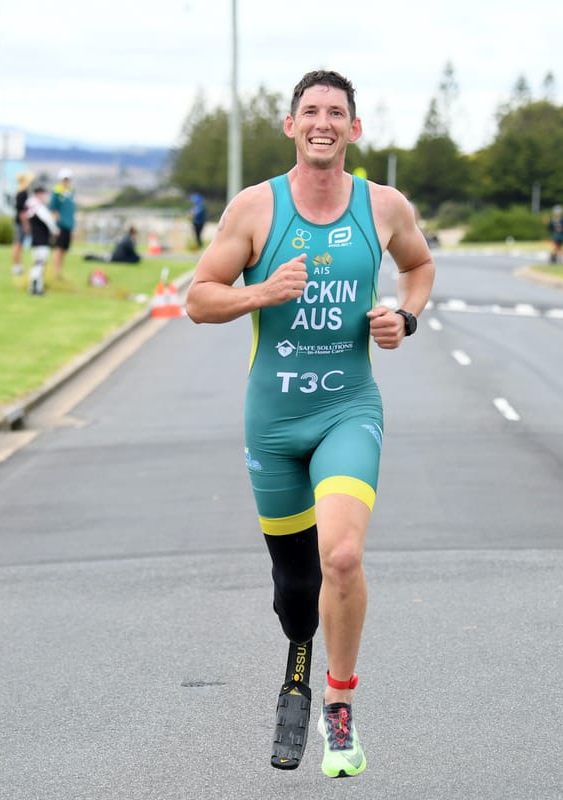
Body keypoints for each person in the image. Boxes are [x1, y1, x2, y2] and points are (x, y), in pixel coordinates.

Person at [185, 69, 434, 779]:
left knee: (343, 558)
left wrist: (405, 317)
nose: (323, 122)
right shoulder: (255, 209)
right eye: (310, 111)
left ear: (355, 130)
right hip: (273, 421)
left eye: (337, 113)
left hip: (347, 410)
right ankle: (297, 663)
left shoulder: (382, 207)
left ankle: (338, 702)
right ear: (291, 126)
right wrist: (263, 290)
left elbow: (419, 267)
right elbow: (199, 299)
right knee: (294, 588)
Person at [24, 185, 59, 295]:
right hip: (42, 240)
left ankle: (37, 287)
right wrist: (55, 230)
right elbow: (48, 220)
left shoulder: (30, 206)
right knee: (40, 263)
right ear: (39, 194)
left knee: (37, 263)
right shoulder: (38, 207)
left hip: (35, 239)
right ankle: (35, 286)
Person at [48, 169, 76, 281]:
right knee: (58, 249)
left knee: (64, 249)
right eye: (65, 179)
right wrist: (56, 224)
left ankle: (60, 272)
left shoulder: (71, 192)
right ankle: (55, 272)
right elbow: (53, 208)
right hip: (60, 225)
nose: (66, 181)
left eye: (68, 179)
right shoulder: (57, 191)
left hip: (69, 225)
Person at [11, 171, 34, 275]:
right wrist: (26, 225)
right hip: (20, 223)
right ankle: (16, 266)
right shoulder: (22, 194)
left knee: (19, 245)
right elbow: (22, 212)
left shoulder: (20, 193)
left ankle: (18, 265)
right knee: (18, 244)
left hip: (19, 222)